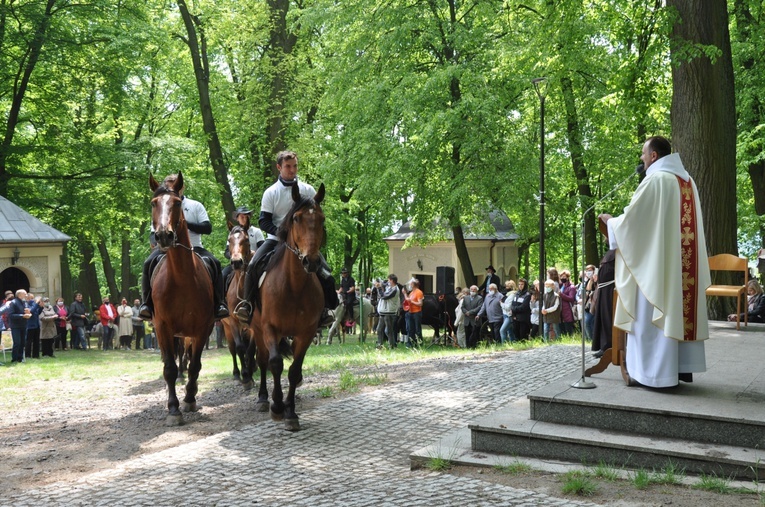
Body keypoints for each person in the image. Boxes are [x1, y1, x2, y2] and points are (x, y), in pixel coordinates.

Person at [601, 135, 710, 388]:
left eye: (643, 153)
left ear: (653, 156)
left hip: (658, 268)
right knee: (678, 308)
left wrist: (611, 222)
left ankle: (655, 376)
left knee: (651, 314)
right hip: (682, 266)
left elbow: (633, 223)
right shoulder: (687, 181)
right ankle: (679, 369)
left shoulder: (656, 180)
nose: (641, 158)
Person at [238, 151, 338, 325]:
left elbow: (314, 218)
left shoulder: (308, 190)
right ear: (279, 167)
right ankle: (247, 306)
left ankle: (326, 309)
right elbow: (263, 220)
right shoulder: (271, 192)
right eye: (288, 166)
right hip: (276, 240)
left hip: (304, 243)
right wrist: (281, 232)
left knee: (326, 272)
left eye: (295, 166)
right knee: (253, 265)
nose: (292, 170)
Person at [139, 173, 229, 321]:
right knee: (148, 263)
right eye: (168, 184)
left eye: (174, 184)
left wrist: (185, 224)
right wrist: (155, 241)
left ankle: (219, 304)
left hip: (194, 247)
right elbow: (152, 230)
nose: (171, 187)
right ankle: (146, 304)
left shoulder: (195, 205)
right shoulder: (162, 204)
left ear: (181, 187)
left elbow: (207, 227)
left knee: (215, 263)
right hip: (167, 248)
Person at [222, 206, 265, 292]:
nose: (244, 218)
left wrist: (254, 254)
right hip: (236, 262)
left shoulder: (256, 231)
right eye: (242, 216)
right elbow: (227, 251)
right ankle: (222, 302)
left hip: (254, 262)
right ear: (237, 218)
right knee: (223, 275)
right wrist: (234, 255)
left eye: (246, 216)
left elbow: (262, 248)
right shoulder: (233, 233)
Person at [376, 274, 400, 349]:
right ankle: (379, 345)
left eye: (389, 280)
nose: (388, 281)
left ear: (392, 280)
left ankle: (392, 345)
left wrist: (379, 288)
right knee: (379, 329)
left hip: (389, 312)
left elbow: (384, 296)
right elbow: (385, 287)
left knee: (388, 330)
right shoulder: (390, 288)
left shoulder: (395, 289)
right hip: (384, 311)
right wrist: (381, 284)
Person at [8, 289, 31, 362]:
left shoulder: (25, 302)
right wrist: (22, 316)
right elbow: (11, 315)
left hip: (23, 325)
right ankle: (14, 358)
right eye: (25, 294)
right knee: (17, 342)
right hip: (15, 326)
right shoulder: (13, 302)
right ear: (19, 295)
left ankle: (20, 358)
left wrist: (28, 313)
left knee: (23, 342)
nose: (26, 295)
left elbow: (26, 311)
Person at [404, 278, 424, 347]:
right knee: (410, 329)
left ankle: (419, 343)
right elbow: (407, 300)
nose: (409, 285)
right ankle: (411, 343)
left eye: (410, 283)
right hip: (410, 312)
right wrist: (404, 294)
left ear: (413, 284)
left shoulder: (419, 292)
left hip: (417, 312)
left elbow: (420, 303)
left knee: (417, 329)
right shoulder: (411, 293)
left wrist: (411, 301)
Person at [558, 270, 577, 337]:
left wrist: (561, 295)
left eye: (564, 276)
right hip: (560, 310)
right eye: (561, 276)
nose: (562, 278)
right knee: (562, 329)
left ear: (568, 277)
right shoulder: (560, 286)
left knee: (568, 328)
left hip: (568, 310)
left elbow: (571, 298)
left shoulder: (571, 287)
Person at [24, 293, 42, 359]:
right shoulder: (26, 304)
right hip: (30, 325)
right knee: (29, 341)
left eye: (33, 298)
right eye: (31, 298)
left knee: (36, 340)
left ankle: (36, 355)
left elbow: (37, 313)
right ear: (27, 298)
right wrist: (37, 304)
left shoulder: (34, 304)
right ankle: (27, 355)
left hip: (36, 325)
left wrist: (41, 307)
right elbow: (31, 311)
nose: (32, 300)